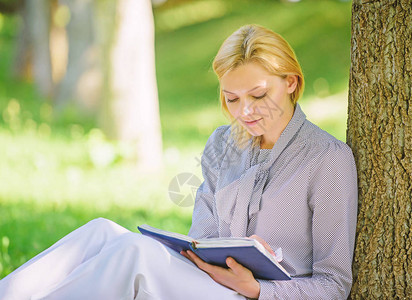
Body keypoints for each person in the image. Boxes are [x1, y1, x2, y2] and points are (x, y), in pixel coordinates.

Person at [0, 24, 357, 299]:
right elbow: (200, 235)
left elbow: (334, 284)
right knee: (99, 231)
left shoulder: (328, 160)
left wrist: (259, 287)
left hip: (254, 297)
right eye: (231, 99)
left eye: (258, 95)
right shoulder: (223, 142)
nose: (244, 111)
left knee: (133, 253)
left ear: (291, 83)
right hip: (207, 283)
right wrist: (217, 251)